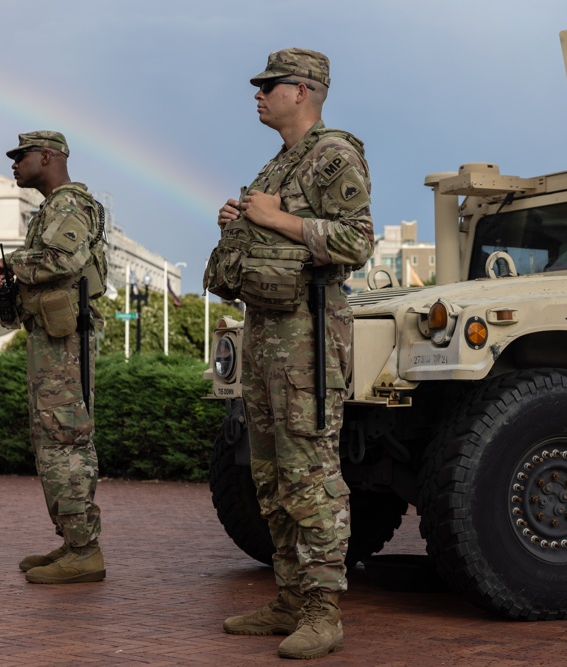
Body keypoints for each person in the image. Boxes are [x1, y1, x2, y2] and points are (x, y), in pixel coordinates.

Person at [212, 48, 374, 660]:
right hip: (265, 337)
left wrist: (277, 220)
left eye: (270, 85)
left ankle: (322, 612)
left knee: (310, 475)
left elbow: (357, 241)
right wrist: (240, 221)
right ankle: (288, 597)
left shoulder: (334, 155)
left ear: (302, 91)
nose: (258, 94)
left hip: (309, 338)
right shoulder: (279, 164)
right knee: (271, 476)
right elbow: (266, 234)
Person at [0, 130, 106, 585]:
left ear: (47, 156)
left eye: (21, 156)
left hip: (66, 342)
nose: (14, 164)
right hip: (52, 338)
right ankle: (73, 541)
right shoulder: (51, 208)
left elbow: (62, 260)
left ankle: (85, 551)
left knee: (65, 439)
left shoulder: (70, 203)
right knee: (51, 440)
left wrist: (14, 263)